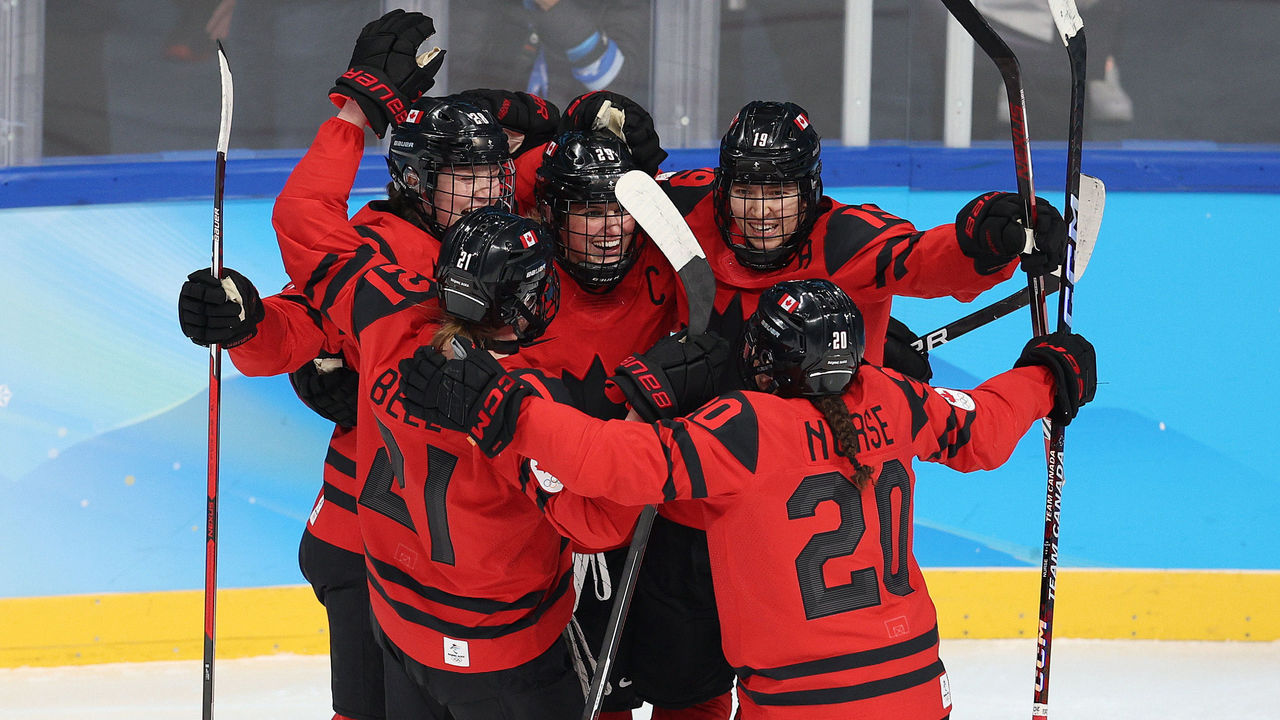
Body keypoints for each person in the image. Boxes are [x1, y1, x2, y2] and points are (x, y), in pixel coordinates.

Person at [397, 278, 1098, 720]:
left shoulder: (745, 428)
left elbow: (614, 461)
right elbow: (983, 430)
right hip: (917, 685)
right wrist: (1046, 376)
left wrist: (504, 409)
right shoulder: (892, 396)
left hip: (801, 701)